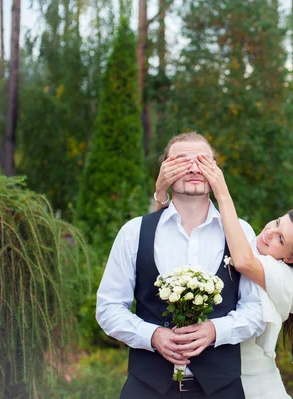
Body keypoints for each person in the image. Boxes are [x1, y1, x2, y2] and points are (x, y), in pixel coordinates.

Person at [96, 132, 265, 399]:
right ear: (165, 171)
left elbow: (256, 310)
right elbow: (108, 308)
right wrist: (151, 336)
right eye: (182, 161)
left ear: (216, 172)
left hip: (222, 389)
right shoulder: (134, 232)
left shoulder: (240, 232)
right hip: (146, 388)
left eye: (204, 161)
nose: (195, 168)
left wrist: (214, 330)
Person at [154, 152, 293, 398]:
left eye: (281, 239)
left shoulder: (284, 276)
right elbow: (168, 235)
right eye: (278, 222)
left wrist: (221, 191)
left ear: (291, 258)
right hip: (219, 380)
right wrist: (162, 195)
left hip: (254, 385)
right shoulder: (248, 243)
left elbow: (241, 260)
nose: (270, 232)